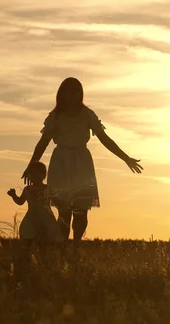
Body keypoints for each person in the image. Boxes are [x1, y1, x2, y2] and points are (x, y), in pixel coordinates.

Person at [22, 77, 143, 245]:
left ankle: (76, 245)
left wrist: (126, 158)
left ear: (80, 94)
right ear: (61, 95)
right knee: (64, 211)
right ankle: (63, 245)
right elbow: (43, 143)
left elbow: (104, 139)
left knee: (81, 209)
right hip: (61, 163)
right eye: (67, 92)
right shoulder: (55, 117)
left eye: (75, 92)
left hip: (82, 163)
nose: (71, 96)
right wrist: (31, 166)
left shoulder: (87, 115)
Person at [8, 161, 63, 243]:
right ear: (29, 176)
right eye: (32, 174)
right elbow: (20, 201)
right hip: (32, 217)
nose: (35, 177)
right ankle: (29, 252)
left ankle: (44, 252)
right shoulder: (27, 189)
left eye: (38, 174)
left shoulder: (47, 188)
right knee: (29, 235)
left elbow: (56, 201)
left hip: (46, 217)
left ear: (44, 176)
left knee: (47, 237)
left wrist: (62, 206)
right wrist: (14, 195)